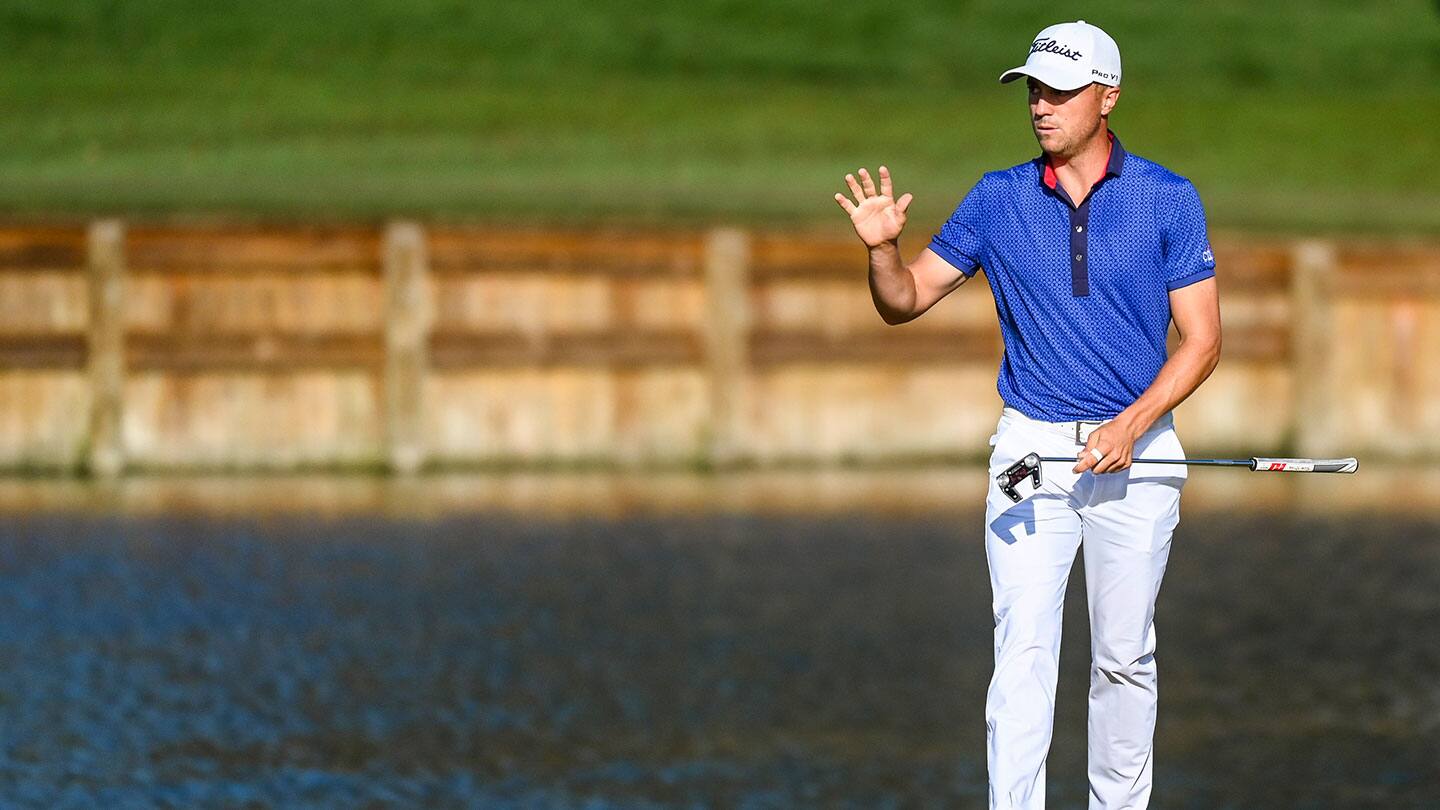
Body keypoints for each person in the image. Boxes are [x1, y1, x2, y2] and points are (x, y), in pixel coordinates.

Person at [832, 19, 1222, 810]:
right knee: (1024, 652)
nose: (1042, 105)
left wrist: (1132, 424)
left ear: (1107, 97)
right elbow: (904, 301)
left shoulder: (1167, 199)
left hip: (1136, 453)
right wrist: (880, 252)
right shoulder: (996, 198)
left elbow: (1204, 342)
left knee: (1123, 658)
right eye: (1034, 89)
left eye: (1061, 90)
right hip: (1030, 453)